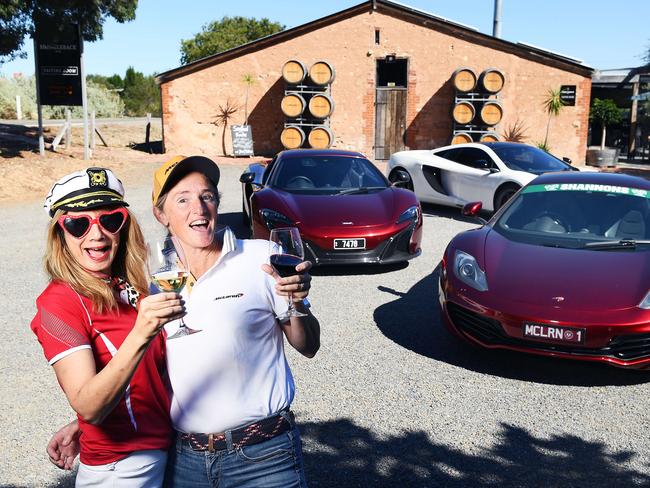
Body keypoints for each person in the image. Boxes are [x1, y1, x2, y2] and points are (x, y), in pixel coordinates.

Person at [151, 155, 320, 487]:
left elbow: (308, 345)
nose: (198, 208)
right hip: (187, 461)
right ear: (162, 214)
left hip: (264, 457)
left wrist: (296, 303)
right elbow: (144, 369)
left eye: (206, 196)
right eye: (182, 199)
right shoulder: (154, 279)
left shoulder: (260, 256)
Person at [32, 167, 185, 485]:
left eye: (110, 219)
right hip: (121, 470)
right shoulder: (57, 303)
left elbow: (140, 379)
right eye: (78, 224)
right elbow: (89, 405)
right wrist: (143, 331)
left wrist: (80, 425)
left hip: (167, 451)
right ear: (60, 234)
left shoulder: (125, 286)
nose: (97, 234)